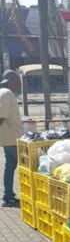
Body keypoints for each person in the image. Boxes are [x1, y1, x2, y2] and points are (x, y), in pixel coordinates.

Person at [0, 70, 22, 207]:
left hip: (8, 139)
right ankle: (8, 197)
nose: (19, 85)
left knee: (9, 167)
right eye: (18, 81)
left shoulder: (2, 92)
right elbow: (1, 116)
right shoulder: (7, 93)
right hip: (13, 139)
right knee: (31, 166)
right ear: (11, 81)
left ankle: (8, 196)